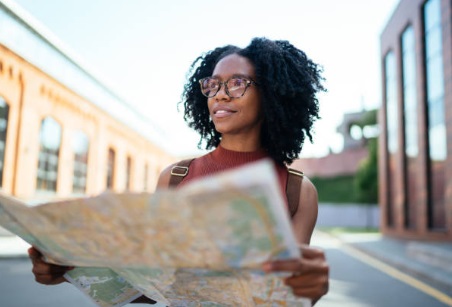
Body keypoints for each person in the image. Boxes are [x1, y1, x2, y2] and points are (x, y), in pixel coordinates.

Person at [28, 37, 329, 304]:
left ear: (271, 94)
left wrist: (308, 290)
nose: (220, 95)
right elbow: (151, 287)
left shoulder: (297, 192)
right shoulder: (174, 178)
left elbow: (290, 293)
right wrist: (68, 268)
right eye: (212, 84)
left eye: (237, 83)